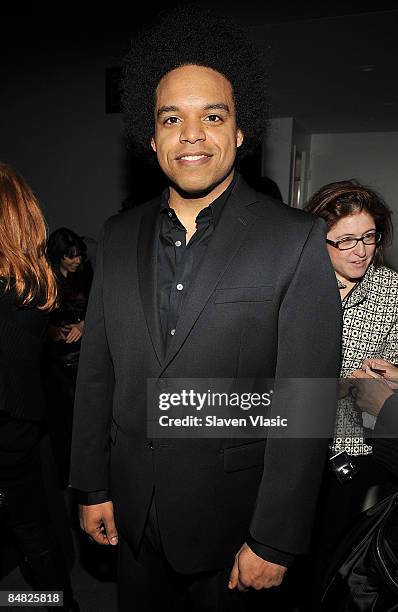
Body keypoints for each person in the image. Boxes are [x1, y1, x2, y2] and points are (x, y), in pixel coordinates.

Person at [70, 7, 342, 611]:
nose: (191, 134)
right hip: (133, 517)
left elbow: (306, 400)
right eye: (173, 118)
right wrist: (91, 484)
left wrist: (275, 538)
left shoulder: (295, 240)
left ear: (240, 132)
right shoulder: (116, 236)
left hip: (235, 526)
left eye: (212, 116)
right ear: (152, 135)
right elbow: (97, 375)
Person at [303, 179, 398, 604]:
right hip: (295, 441)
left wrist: (389, 376)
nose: (360, 250)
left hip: (356, 448)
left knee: (333, 556)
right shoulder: (296, 288)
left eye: (368, 236)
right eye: (344, 240)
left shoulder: (391, 291)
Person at [0, 163, 78, 611]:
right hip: (21, 429)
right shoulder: (32, 279)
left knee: (31, 534)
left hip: (7, 426)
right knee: (33, 533)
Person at [45, 228, 93, 487]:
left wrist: (84, 325)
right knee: (64, 418)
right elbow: (38, 317)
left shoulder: (85, 275)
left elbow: (99, 304)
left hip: (85, 351)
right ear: (58, 256)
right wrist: (50, 329)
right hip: (57, 360)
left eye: (79, 255)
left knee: (85, 413)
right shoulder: (47, 280)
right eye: (70, 256)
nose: (77, 260)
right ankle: (68, 474)